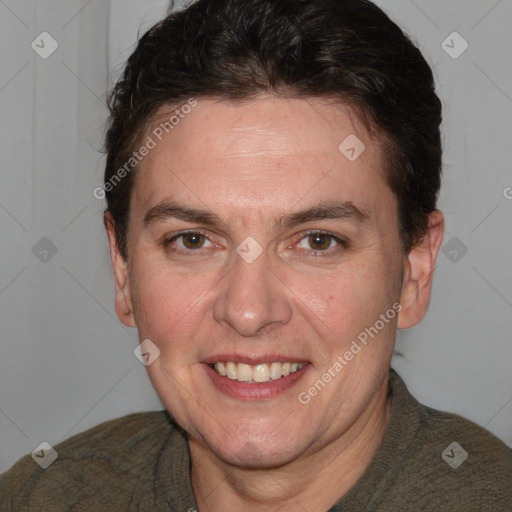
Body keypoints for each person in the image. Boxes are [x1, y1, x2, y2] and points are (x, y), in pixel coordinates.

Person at [1, 0, 511, 510]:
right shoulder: (39, 497)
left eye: (318, 241)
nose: (247, 312)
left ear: (415, 270)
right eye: (193, 240)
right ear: (121, 268)